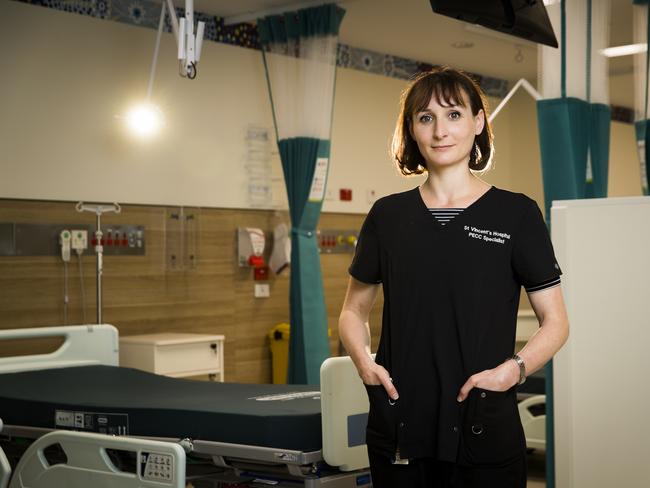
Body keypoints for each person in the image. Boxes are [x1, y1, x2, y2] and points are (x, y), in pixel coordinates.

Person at [338, 66, 569, 488]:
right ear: (411, 130)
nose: (440, 131)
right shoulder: (387, 216)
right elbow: (353, 311)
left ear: (479, 122)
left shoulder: (516, 214)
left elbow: (556, 323)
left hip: (482, 418)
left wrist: (511, 372)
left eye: (454, 115)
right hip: (401, 419)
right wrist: (365, 364)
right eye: (426, 118)